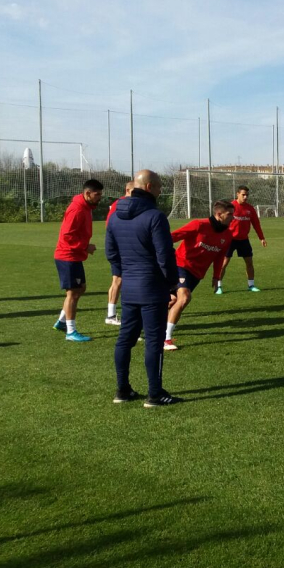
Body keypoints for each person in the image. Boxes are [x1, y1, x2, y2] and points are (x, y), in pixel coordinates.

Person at [104, 170, 180, 407]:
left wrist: (123, 273)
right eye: (158, 187)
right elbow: (165, 256)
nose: (160, 192)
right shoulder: (155, 216)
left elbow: (111, 252)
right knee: (154, 341)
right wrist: (172, 284)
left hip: (129, 287)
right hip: (152, 287)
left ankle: (122, 389)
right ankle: (155, 393)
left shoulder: (115, 215)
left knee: (125, 339)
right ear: (148, 187)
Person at [164, 200, 234, 351]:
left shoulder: (227, 235)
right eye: (230, 215)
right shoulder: (199, 225)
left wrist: (216, 277)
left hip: (197, 273)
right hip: (180, 265)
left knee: (171, 301)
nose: (233, 218)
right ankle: (166, 339)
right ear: (219, 214)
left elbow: (219, 257)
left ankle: (141, 323)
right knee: (184, 298)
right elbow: (172, 237)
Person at [52, 179, 104, 342]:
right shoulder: (77, 209)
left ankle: (61, 322)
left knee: (80, 288)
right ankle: (71, 332)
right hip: (67, 255)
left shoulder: (86, 206)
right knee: (73, 293)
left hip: (74, 255)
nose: (100, 197)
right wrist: (85, 246)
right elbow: (67, 235)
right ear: (87, 193)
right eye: (97, 194)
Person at [217, 185, 267, 294]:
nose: (245, 197)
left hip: (244, 240)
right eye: (243, 195)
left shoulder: (250, 208)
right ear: (237, 194)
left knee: (249, 263)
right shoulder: (230, 207)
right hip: (230, 240)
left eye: (247, 195)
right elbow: (221, 221)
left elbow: (256, 224)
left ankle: (251, 285)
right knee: (224, 263)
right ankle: (219, 286)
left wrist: (261, 238)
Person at [104, 181, 134, 325]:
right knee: (118, 280)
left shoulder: (121, 204)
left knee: (118, 280)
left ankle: (111, 314)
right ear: (127, 190)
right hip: (118, 248)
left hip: (119, 247)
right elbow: (110, 226)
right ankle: (111, 315)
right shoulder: (121, 204)